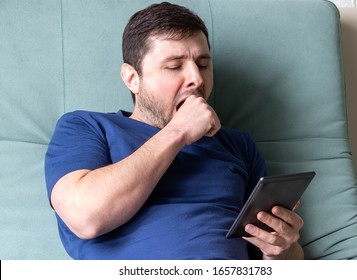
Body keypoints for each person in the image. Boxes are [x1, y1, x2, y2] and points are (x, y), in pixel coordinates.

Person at [45, 2, 304, 260]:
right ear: (132, 78)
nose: (197, 79)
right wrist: (178, 132)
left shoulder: (238, 145)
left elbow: (274, 258)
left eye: (202, 64)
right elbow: (85, 217)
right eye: (174, 66)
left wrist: (282, 249)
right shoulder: (86, 127)